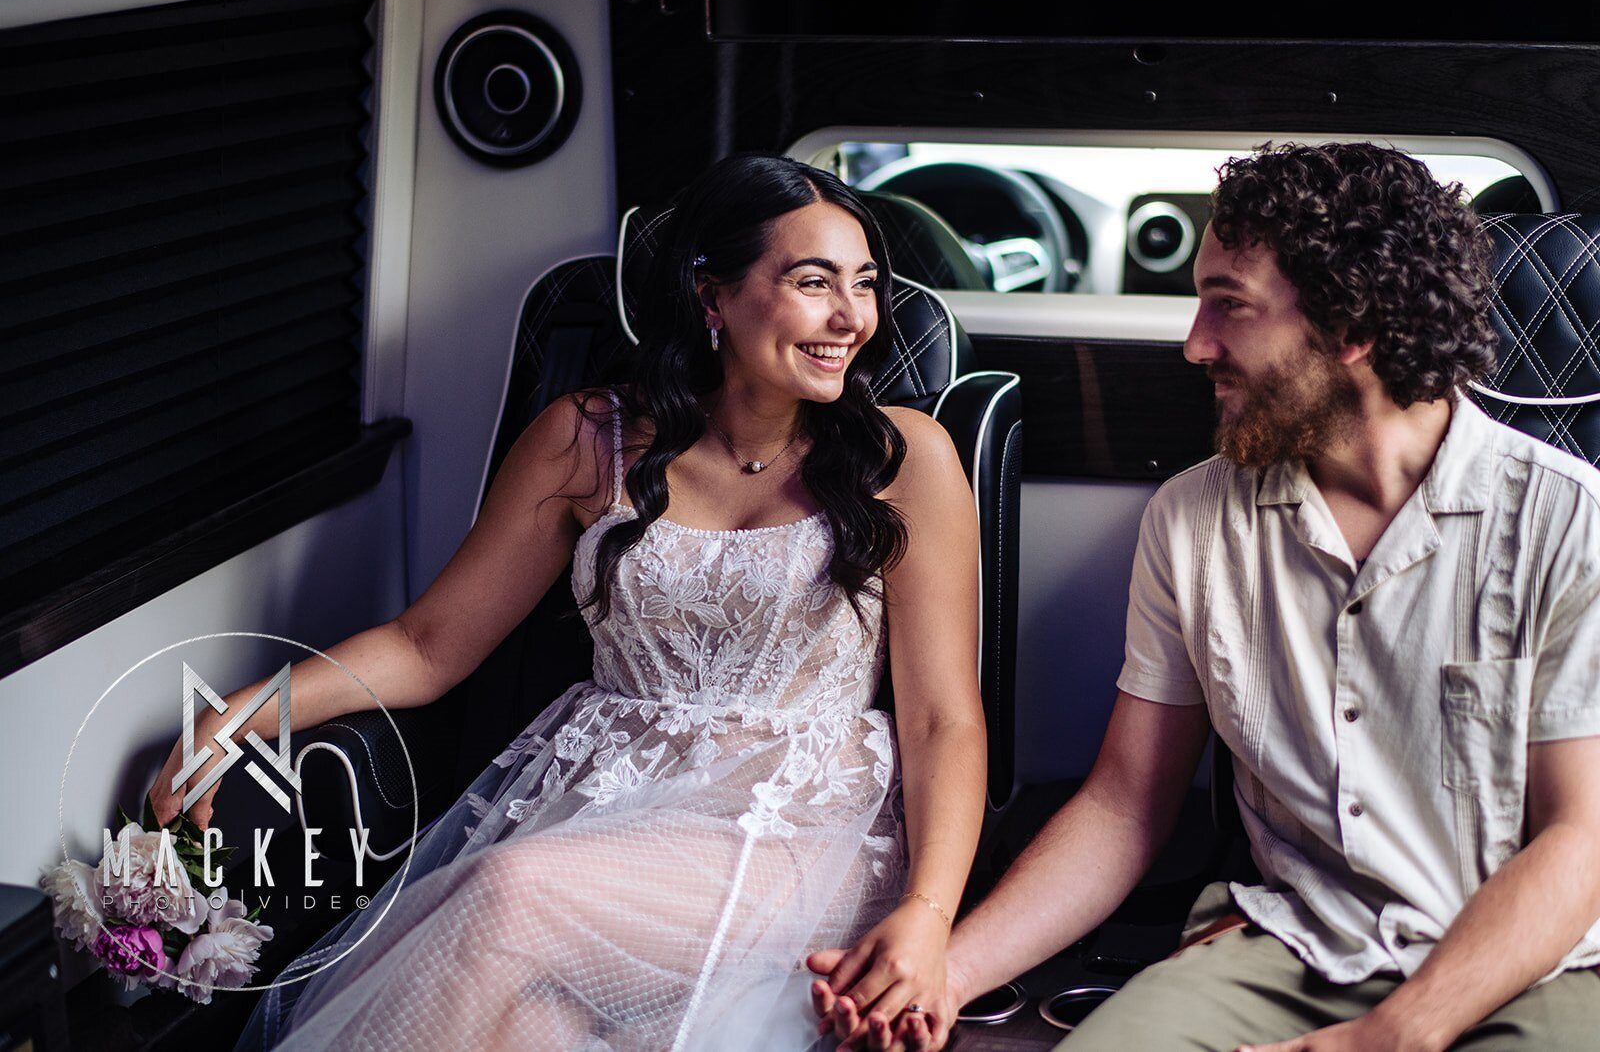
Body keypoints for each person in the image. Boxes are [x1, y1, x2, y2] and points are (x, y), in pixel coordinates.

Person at [148, 152, 988, 1050]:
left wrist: (930, 915)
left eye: (864, 284)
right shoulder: (589, 437)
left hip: (799, 835)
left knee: (505, 896)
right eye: (813, 282)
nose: (850, 318)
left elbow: (944, 718)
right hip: (600, 806)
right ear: (713, 297)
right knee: (525, 1026)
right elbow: (430, 643)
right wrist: (247, 714)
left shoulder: (904, 456)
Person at [813, 142, 1600, 1050]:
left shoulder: (1564, 522)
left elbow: (1579, 842)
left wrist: (1390, 1034)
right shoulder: (1194, 519)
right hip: (1295, 944)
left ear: (1354, 326)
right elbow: (1124, 807)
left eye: (1228, 306)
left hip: (1532, 959)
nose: (1194, 344)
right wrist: (946, 975)